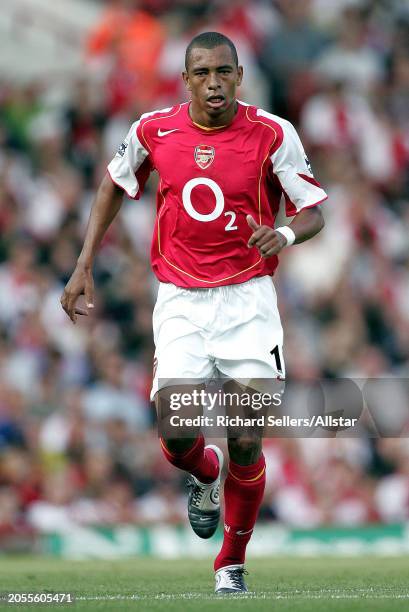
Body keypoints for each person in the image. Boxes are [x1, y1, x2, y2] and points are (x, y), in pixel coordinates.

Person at [61, 31, 327, 594]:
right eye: (202, 73)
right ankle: (203, 474)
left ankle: (230, 563)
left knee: (248, 439)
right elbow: (113, 184)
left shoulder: (273, 133)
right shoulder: (154, 130)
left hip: (248, 300)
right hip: (180, 299)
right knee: (178, 433)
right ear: (186, 80)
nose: (214, 83)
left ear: (239, 76)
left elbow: (313, 211)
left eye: (223, 72)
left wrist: (282, 232)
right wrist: (84, 263)